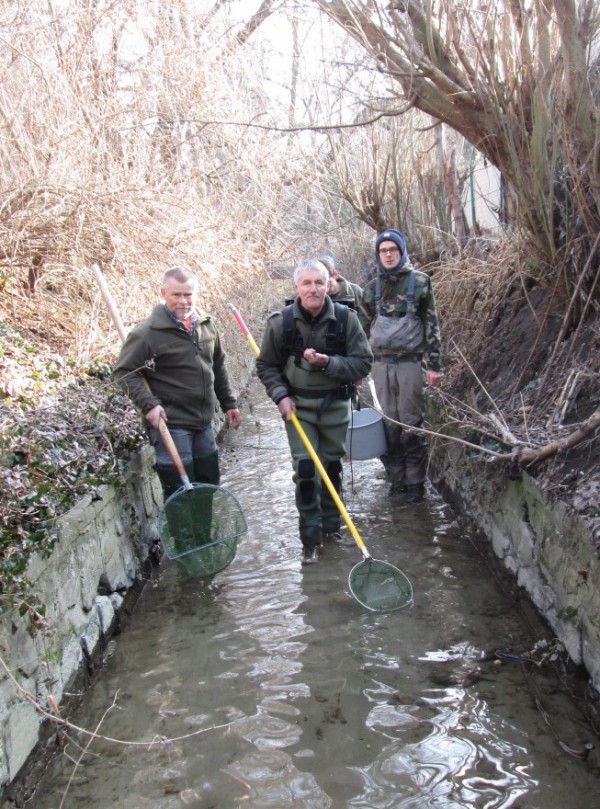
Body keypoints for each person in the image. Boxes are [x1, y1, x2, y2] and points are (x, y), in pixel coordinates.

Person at [256, 259, 373, 565]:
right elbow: (266, 366)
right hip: (298, 410)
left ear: (329, 285)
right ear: (296, 288)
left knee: (331, 467)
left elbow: (364, 362)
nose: (313, 289)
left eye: (319, 283)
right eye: (306, 283)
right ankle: (310, 539)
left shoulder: (347, 319)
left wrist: (329, 364)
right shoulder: (280, 323)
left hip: (336, 406)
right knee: (307, 471)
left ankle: (332, 527)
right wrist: (280, 395)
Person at [113, 266, 241, 499]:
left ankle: (204, 535)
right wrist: (149, 405)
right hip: (172, 424)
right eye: (177, 295)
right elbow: (124, 372)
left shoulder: (206, 325)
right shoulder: (147, 333)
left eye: (188, 294)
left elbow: (218, 365)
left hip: (203, 422)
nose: (183, 301)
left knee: (208, 484)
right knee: (181, 494)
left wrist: (229, 403)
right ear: (163, 293)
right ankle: (183, 537)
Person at [358, 228, 441, 503]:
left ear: (402, 251)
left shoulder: (420, 283)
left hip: (410, 364)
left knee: (412, 425)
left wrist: (434, 365)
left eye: (393, 249)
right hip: (380, 366)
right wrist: (360, 368)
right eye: (383, 251)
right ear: (378, 255)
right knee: (389, 425)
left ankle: (416, 484)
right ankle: (397, 481)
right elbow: (362, 330)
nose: (388, 254)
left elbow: (432, 324)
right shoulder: (371, 290)